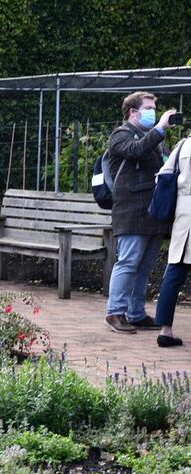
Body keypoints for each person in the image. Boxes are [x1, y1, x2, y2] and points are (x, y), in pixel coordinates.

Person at [104, 91, 178, 334]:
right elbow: (135, 151)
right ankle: (115, 312)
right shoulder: (121, 135)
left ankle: (135, 313)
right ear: (133, 112)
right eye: (149, 107)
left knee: (144, 267)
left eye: (154, 107)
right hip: (131, 211)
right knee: (128, 262)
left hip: (153, 212)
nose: (153, 111)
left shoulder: (152, 136)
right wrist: (158, 129)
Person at [155, 135, 191, 347]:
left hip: (183, 215)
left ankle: (165, 330)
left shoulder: (183, 145)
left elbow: (163, 176)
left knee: (174, 270)